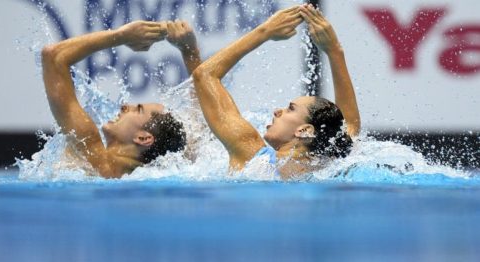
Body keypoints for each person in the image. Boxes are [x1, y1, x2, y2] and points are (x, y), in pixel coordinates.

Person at [192, 4, 361, 179]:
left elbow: (204, 75)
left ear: (304, 130)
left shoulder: (252, 157)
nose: (277, 111)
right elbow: (348, 125)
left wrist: (265, 31)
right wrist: (335, 51)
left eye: (291, 108)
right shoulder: (330, 164)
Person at [41, 20, 201, 178]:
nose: (124, 106)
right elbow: (201, 114)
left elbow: (53, 57)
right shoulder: (166, 171)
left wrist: (121, 36)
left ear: (143, 138)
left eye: (138, 110)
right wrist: (190, 52)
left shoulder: (89, 154)